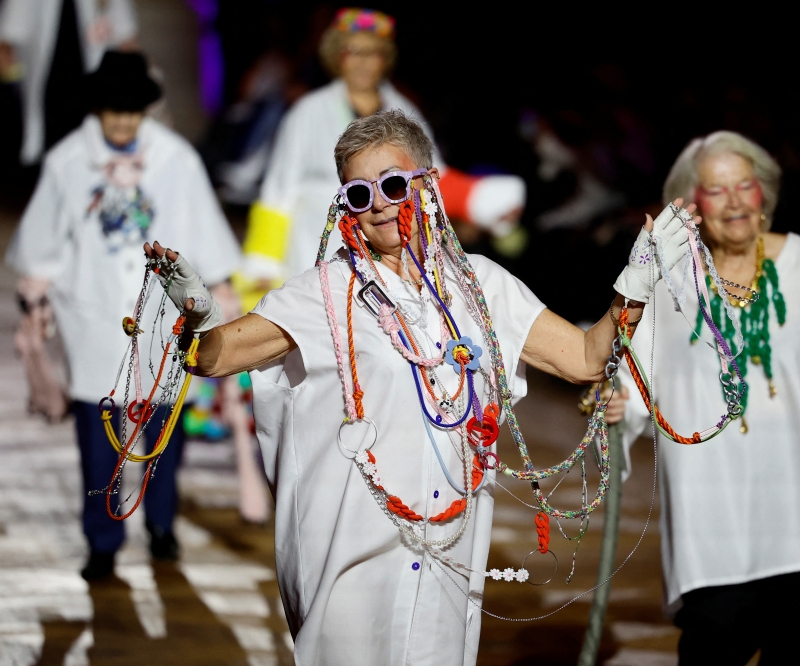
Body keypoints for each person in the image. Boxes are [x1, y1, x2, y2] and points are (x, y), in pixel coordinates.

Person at [141, 109, 692, 665]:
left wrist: (635, 284)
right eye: (359, 193)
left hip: (449, 557)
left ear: (427, 185)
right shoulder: (322, 294)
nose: (379, 203)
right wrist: (199, 314)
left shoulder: (484, 286)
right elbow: (215, 356)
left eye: (394, 184)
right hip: (351, 558)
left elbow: (585, 359)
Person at [609, 131, 800, 664]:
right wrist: (619, 403)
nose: (733, 200)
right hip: (713, 521)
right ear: (693, 203)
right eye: (715, 188)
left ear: (764, 193)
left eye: (744, 184)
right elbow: (638, 369)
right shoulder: (672, 280)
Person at [5, 51, 241, 580]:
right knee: (99, 437)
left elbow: (201, 224)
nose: (122, 120)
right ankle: (103, 539)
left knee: (163, 429)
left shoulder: (176, 158)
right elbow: (43, 238)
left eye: (132, 110)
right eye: (114, 109)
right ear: (98, 108)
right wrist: (39, 282)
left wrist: (220, 286)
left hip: (160, 312)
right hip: (93, 314)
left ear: (144, 111)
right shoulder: (68, 160)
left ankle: (161, 525)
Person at [234, 7, 527, 313]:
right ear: (338, 57)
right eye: (353, 52)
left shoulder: (404, 110)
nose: (362, 63)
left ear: (384, 59)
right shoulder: (307, 111)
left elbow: (428, 179)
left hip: (391, 245)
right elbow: (277, 195)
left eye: (372, 53)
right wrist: (263, 263)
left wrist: (477, 198)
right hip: (313, 246)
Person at [0, 0, 138, 165]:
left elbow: (125, 33)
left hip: (90, 81)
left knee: (89, 142)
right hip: (48, 82)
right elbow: (11, 32)